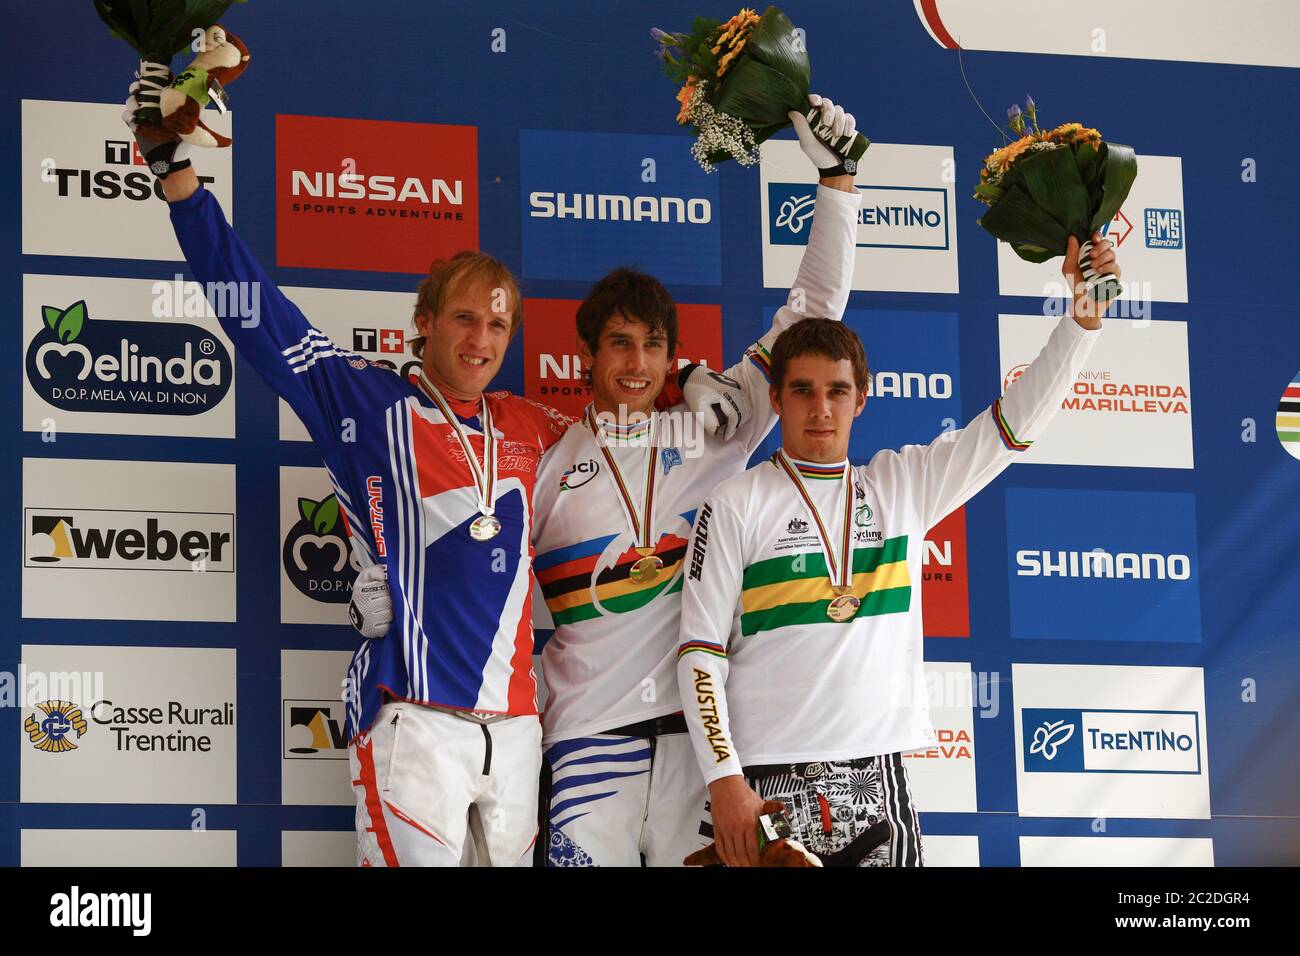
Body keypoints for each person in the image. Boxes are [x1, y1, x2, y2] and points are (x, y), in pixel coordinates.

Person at [120, 52, 736, 867]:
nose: (481, 341)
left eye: (498, 326)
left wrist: (691, 379)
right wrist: (175, 174)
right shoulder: (365, 404)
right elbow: (254, 315)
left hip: (518, 732)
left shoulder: (536, 427)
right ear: (425, 321)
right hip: (413, 717)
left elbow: (642, 425)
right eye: (464, 320)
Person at [676, 234, 1120, 866]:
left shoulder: (905, 483)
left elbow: (1014, 426)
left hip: (877, 779)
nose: (820, 408)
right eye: (801, 390)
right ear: (774, 400)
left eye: (836, 391)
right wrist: (723, 781)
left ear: (863, 396)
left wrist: (1083, 321)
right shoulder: (734, 501)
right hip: (762, 786)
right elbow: (698, 653)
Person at [532, 95, 863, 867]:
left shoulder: (717, 424)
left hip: (700, 750)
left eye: (656, 347)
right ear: (585, 354)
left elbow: (812, 313)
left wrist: (838, 181)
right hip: (587, 740)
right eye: (619, 344)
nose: (638, 364)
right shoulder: (544, 457)